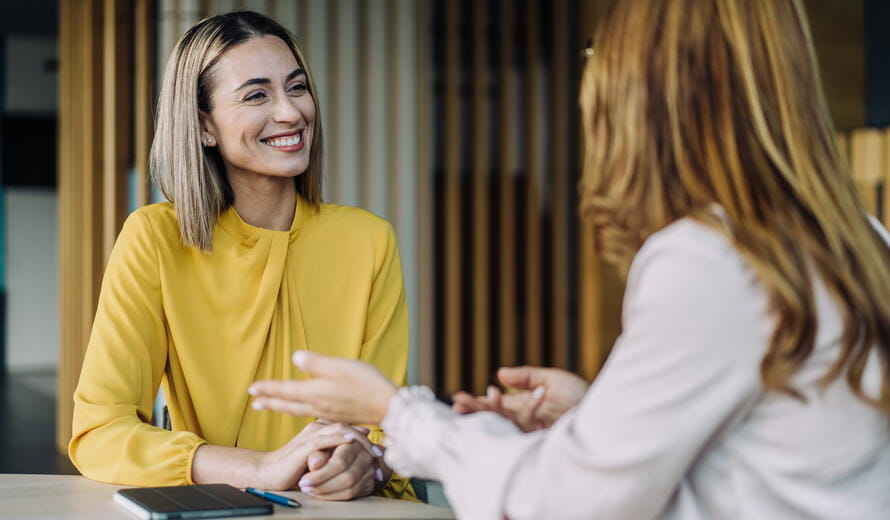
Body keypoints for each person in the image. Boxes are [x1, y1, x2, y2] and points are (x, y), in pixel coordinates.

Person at [247, 0, 890, 517]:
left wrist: (399, 415)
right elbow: (772, 447)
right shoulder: (862, 240)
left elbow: (559, 503)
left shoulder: (710, 262)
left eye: (597, 58)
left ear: (648, 87)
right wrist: (599, 414)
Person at [68, 11, 415, 501]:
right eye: (257, 95)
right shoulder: (155, 239)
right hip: (226, 507)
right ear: (204, 126)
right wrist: (260, 467)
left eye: (296, 88)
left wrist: (368, 464)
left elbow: (388, 431)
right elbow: (99, 434)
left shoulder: (368, 240)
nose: (291, 112)